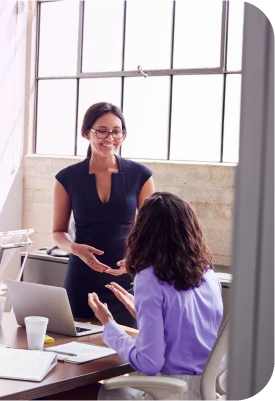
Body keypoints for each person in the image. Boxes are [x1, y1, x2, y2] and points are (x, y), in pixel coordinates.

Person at [88, 192, 224, 400]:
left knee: (101, 392)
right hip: (204, 392)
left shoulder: (149, 279)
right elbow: (184, 328)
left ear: (144, 233)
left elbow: (149, 363)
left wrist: (109, 325)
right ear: (190, 230)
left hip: (169, 391)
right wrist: (138, 309)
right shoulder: (209, 276)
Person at [52, 102, 155, 328]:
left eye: (116, 131)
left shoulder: (141, 175)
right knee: (76, 352)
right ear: (86, 132)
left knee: (127, 353)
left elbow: (153, 231)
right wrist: (75, 248)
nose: (110, 137)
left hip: (126, 279)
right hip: (81, 281)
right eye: (102, 130)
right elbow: (58, 232)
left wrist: (137, 260)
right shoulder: (67, 178)